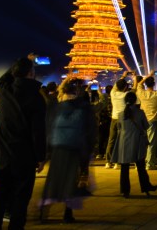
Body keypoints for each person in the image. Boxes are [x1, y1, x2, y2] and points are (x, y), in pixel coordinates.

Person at [0, 56, 47, 230]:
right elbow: (38, 131)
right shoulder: (36, 98)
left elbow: (2, 79)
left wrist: (20, 62)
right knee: (21, 200)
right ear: (31, 73)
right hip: (24, 157)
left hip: (2, 155)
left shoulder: (4, 91)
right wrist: (40, 156)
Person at [39, 78, 97, 223]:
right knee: (71, 181)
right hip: (75, 148)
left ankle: (44, 212)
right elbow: (90, 130)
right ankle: (67, 213)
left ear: (62, 92)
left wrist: (45, 152)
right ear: (76, 92)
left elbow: (48, 128)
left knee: (53, 181)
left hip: (58, 147)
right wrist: (88, 150)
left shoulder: (56, 107)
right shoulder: (83, 107)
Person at [113, 91, 157, 198]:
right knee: (140, 167)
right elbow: (146, 126)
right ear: (135, 101)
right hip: (137, 142)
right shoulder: (140, 113)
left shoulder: (120, 114)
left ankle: (125, 191)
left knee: (124, 168)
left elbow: (119, 128)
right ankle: (146, 187)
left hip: (124, 143)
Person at [105, 71, 137, 168]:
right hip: (124, 120)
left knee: (111, 140)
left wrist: (123, 76)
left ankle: (108, 162)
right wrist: (134, 77)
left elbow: (116, 85)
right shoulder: (126, 95)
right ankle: (117, 162)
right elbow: (135, 89)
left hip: (114, 118)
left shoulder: (113, 93)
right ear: (125, 87)